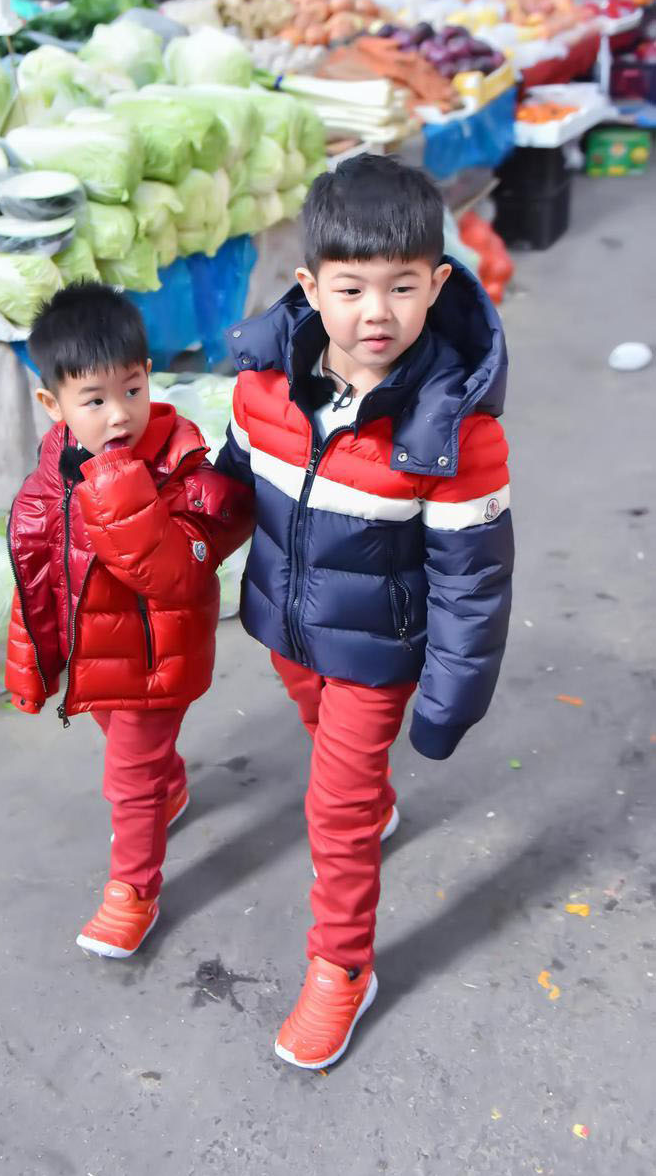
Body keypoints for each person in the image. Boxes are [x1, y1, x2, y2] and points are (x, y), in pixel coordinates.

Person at [216, 155, 513, 1070]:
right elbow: (231, 497)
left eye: (401, 287)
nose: (374, 313)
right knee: (322, 734)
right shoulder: (261, 390)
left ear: (438, 284)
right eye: (349, 288)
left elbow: (474, 580)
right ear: (310, 287)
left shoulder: (454, 435)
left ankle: (341, 968)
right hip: (287, 628)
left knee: (334, 809)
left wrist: (449, 699)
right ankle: (370, 792)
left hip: (381, 650)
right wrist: (178, 549)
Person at [5, 284, 253, 960]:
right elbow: (38, 572)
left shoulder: (182, 470)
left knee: (128, 777)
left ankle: (133, 891)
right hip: (97, 659)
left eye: (133, 389)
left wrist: (117, 485)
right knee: (128, 749)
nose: (119, 415)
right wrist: (36, 661)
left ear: (150, 378)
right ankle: (171, 787)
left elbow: (174, 573)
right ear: (52, 406)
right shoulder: (55, 471)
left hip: (156, 661)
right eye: (94, 400)